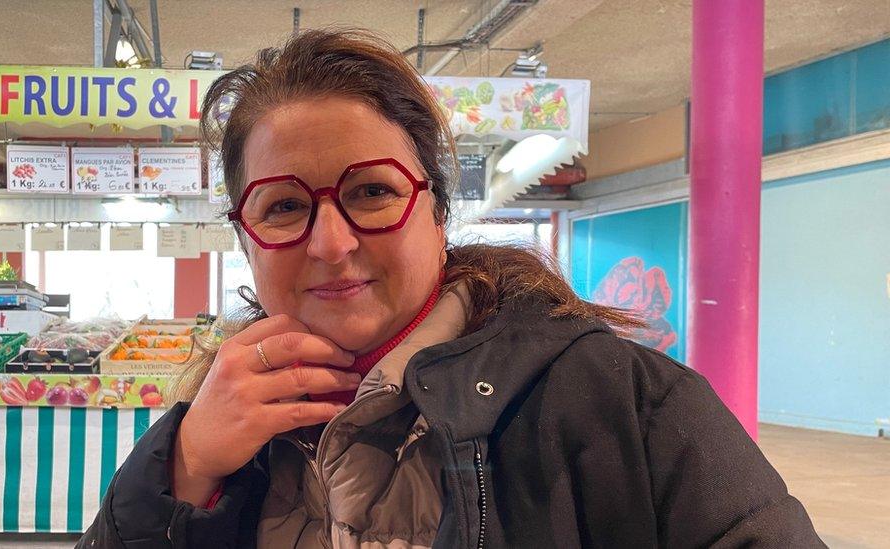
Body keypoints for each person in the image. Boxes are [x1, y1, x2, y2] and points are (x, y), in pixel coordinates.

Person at [79, 29, 824, 549]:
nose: (331, 242)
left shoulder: (627, 407)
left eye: (371, 191)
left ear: (437, 213)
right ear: (245, 239)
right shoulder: (213, 424)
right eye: (282, 205)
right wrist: (182, 469)